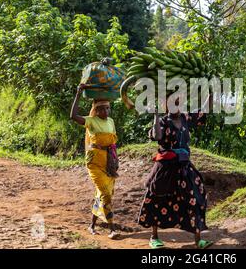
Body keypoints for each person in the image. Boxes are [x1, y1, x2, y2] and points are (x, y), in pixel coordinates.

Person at [138, 97, 214, 249]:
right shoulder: (162, 122)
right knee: (157, 198)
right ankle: (154, 237)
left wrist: (210, 92)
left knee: (195, 198)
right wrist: (156, 115)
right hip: (165, 168)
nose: (176, 107)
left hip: (184, 167)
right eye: (172, 104)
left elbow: (204, 110)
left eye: (178, 104)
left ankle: (198, 239)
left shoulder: (185, 118)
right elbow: (158, 136)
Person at [70, 83, 120, 239]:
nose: (105, 111)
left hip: (109, 163)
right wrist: (79, 94)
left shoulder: (111, 121)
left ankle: (91, 225)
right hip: (94, 163)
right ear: (96, 110)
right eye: (102, 109)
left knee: (103, 193)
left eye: (107, 108)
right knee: (106, 193)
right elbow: (73, 116)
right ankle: (111, 228)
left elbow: (112, 144)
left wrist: (115, 160)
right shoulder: (91, 121)